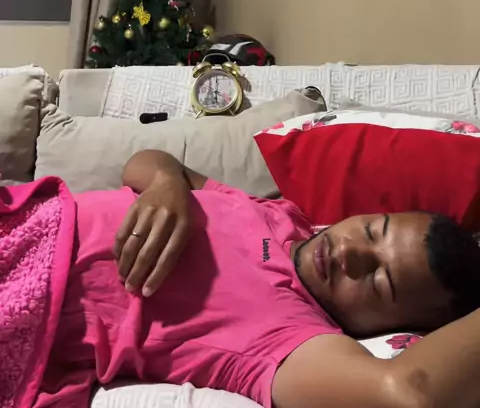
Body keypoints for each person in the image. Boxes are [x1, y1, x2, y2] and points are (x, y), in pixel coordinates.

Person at [7, 150, 480, 408]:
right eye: (373, 230)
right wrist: (169, 185)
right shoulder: (282, 215)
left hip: (23, 298)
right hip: (24, 214)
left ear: (386, 327)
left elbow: (405, 393)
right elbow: (142, 163)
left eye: (378, 281)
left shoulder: (293, 337)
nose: (351, 253)